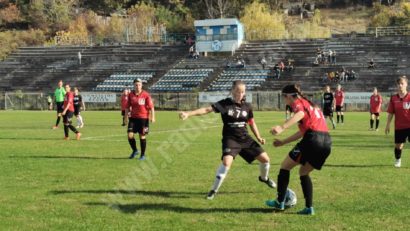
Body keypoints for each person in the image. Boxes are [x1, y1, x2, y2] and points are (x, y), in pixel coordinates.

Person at [179, 80, 276, 200]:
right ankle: (213, 190)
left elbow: (251, 123)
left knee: (266, 160)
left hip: (245, 138)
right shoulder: (225, 104)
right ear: (232, 91)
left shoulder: (247, 106)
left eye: (242, 92)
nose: (240, 94)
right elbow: (206, 110)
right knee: (226, 163)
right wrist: (189, 114)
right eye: (237, 91)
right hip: (231, 139)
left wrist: (259, 137)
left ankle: (264, 178)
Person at [265, 84, 332, 215]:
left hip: (312, 139)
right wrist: (283, 142)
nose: (285, 99)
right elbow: (301, 132)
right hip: (327, 143)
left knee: (284, 167)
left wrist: (282, 127)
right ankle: (309, 208)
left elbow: (300, 113)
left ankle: (280, 202)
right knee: (303, 172)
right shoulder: (311, 106)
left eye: (284, 97)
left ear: (290, 96)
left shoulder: (299, 103)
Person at [125, 79, 155, 160]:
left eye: (139, 84)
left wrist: (153, 117)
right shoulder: (131, 95)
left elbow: (151, 107)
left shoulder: (146, 95)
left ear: (141, 85)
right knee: (130, 135)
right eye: (136, 85)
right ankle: (135, 150)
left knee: (142, 136)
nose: (137, 86)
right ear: (134, 86)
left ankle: (142, 155)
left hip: (143, 119)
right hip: (133, 118)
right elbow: (127, 107)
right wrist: (125, 118)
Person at [385, 76, 410, 168]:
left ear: (406, 85)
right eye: (398, 84)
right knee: (398, 146)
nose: (400, 85)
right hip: (399, 126)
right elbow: (391, 113)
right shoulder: (393, 98)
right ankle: (398, 160)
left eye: (402, 83)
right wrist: (387, 125)